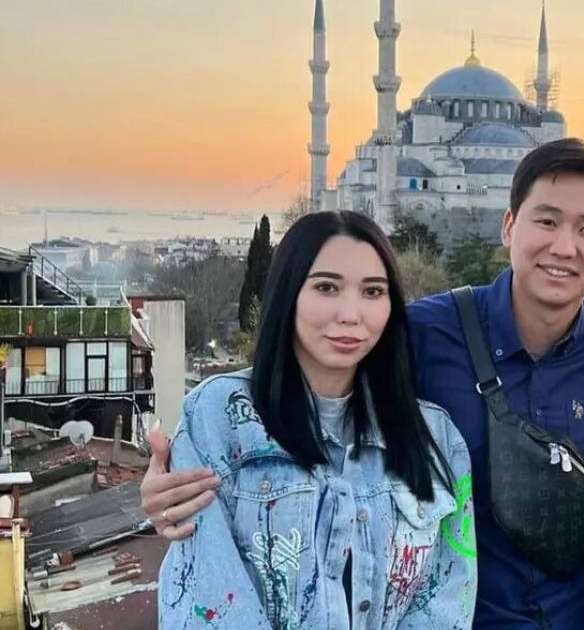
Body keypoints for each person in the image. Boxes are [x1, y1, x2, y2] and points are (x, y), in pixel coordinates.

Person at [143, 138, 584, 629]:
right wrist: (171, 477)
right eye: (546, 220)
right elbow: (311, 378)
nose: (563, 246)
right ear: (509, 225)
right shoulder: (423, 333)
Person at [156, 211, 475, 629]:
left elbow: (447, 597)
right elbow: (210, 595)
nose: (350, 314)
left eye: (373, 291)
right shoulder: (220, 418)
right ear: (288, 292)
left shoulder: (434, 435)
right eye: (326, 287)